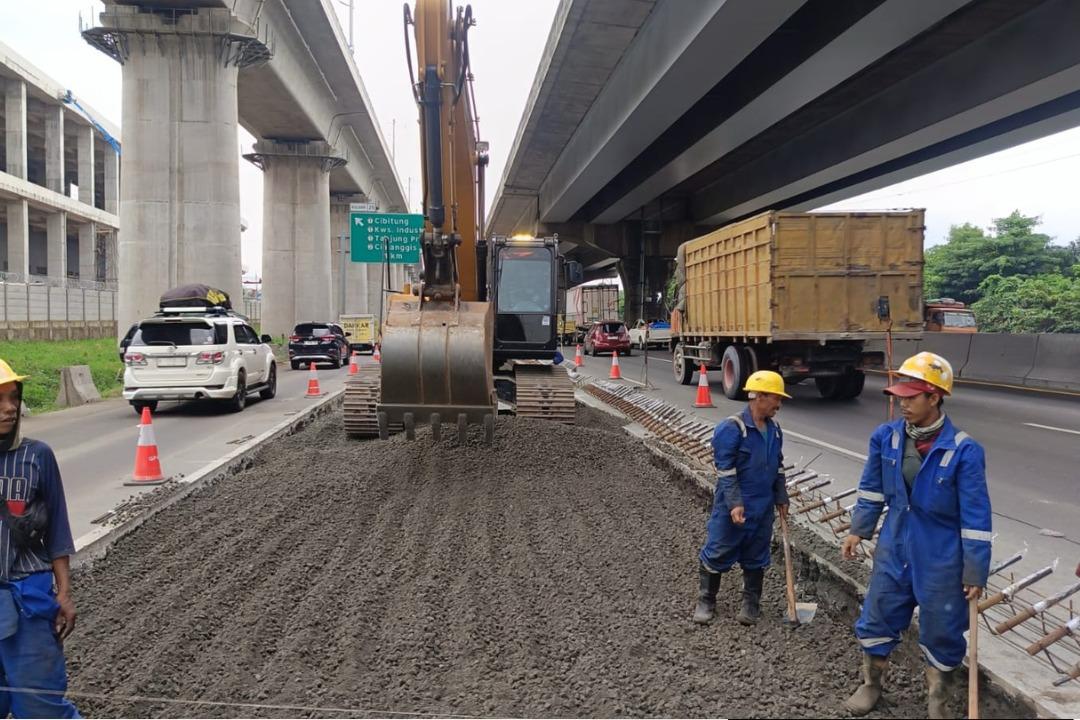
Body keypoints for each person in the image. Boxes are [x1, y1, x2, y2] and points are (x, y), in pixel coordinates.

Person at [841, 352, 991, 719]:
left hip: (941, 553)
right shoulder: (887, 437)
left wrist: (974, 569)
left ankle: (937, 704)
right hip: (895, 543)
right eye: (899, 396)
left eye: (910, 397)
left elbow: (976, 515)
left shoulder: (964, 450)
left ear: (934, 397)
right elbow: (872, 488)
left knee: (942, 627)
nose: (901, 403)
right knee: (878, 613)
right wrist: (859, 529)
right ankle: (871, 685)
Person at [0, 359, 80, 718]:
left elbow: (58, 531)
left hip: (25, 600)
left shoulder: (36, 457)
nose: (9, 408)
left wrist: (63, 594)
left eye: (13, 397)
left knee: (39, 707)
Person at [694, 370, 790, 626]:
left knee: (756, 555)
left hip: (763, 507)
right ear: (759, 396)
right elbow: (725, 470)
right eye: (775, 398)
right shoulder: (732, 428)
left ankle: (751, 604)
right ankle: (706, 600)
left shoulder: (775, 430)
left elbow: (778, 466)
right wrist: (735, 503)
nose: (779, 405)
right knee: (718, 550)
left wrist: (781, 496)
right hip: (733, 506)